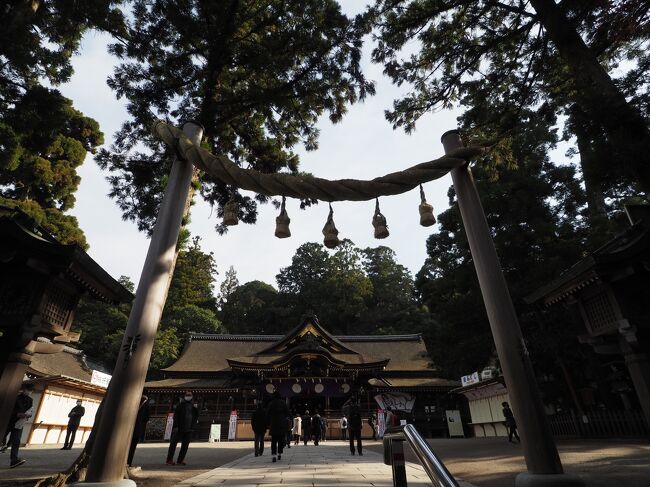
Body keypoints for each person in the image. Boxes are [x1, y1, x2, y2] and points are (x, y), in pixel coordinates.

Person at [166, 391, 198, 466]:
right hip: (179, 428)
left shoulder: (193, 406)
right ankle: (169, 460)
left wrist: (196, 409)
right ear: (184, 396)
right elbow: (176, 416)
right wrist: (176, 426)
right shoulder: (180, 405)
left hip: (189, 428)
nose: (188, 396)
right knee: (173, 444)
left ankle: (180, 460)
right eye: (187, 395)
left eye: (189, 395)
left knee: (185, 446)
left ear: (192, 396)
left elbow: (196, 416)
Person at [7, 383, 34, 468]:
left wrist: (29, 415)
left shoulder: (30, 400)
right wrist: (17, 414)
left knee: (16, 441)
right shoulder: (16, 397)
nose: (29, 392)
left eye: (31, 391)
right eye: (28, 390)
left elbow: (30, 410)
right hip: (9, 421)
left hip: (20, 423)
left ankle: (14, 460)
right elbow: (8, 408)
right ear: (24, 389)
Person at [266, 391, 289, 462]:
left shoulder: (271, 403)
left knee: (274, 441)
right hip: (281, 424)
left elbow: (267, 414)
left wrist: (268, 423)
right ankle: (279, 453)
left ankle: (273, 455)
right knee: (280, 440)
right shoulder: (283, 403)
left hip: (273, 424)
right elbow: (287, 413)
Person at [128, 395, 151, 466]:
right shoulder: (146, 404)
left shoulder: (131, 399)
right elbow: (147, 418)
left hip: (127, 428)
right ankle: (129, 462)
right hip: (137, 428)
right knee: (132, 447)